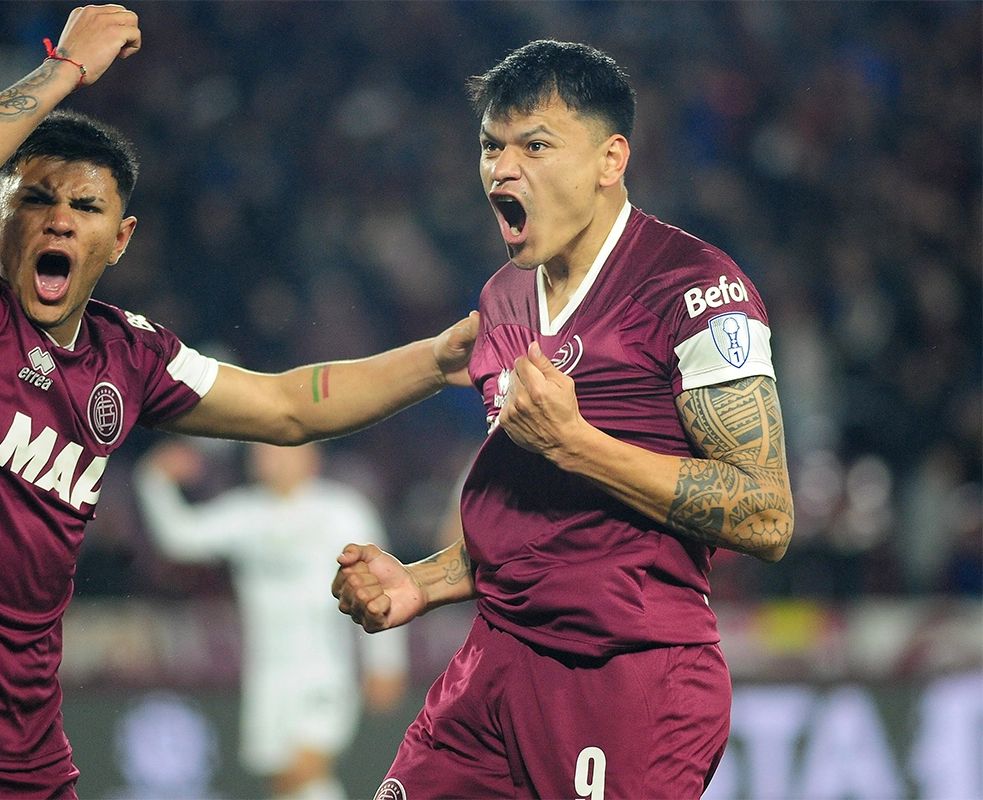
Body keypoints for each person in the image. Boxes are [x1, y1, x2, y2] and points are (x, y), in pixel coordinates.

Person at [0, 6, 476, 798]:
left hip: (25, 753)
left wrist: (433, 359)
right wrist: (62, 70)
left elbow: (290, 406)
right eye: (36, 200)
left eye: (86, 209)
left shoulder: (131, 355)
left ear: (120, 239)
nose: (60, 221)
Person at [333, 39, 794, 800]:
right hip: (497, 665)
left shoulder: (697, 291)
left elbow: (767, 513)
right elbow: (546, 524)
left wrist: (579, 444)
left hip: (629, 675)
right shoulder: (505, 300)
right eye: (490, 146)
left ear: (611, 160)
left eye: (535, 145)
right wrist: (424, 582)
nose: (501, 168)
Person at [136, 439, 408, 799]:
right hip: (267, 675)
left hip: (322, 669)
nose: (270, 458)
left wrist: (387, 662)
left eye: (280, 449)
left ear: (310, 456)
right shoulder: (246, 514)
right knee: (282, 783)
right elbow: (179, 538)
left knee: (306, 769)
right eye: (262, 451)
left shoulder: (342, 512)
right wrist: (153, 482)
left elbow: (383, 585)